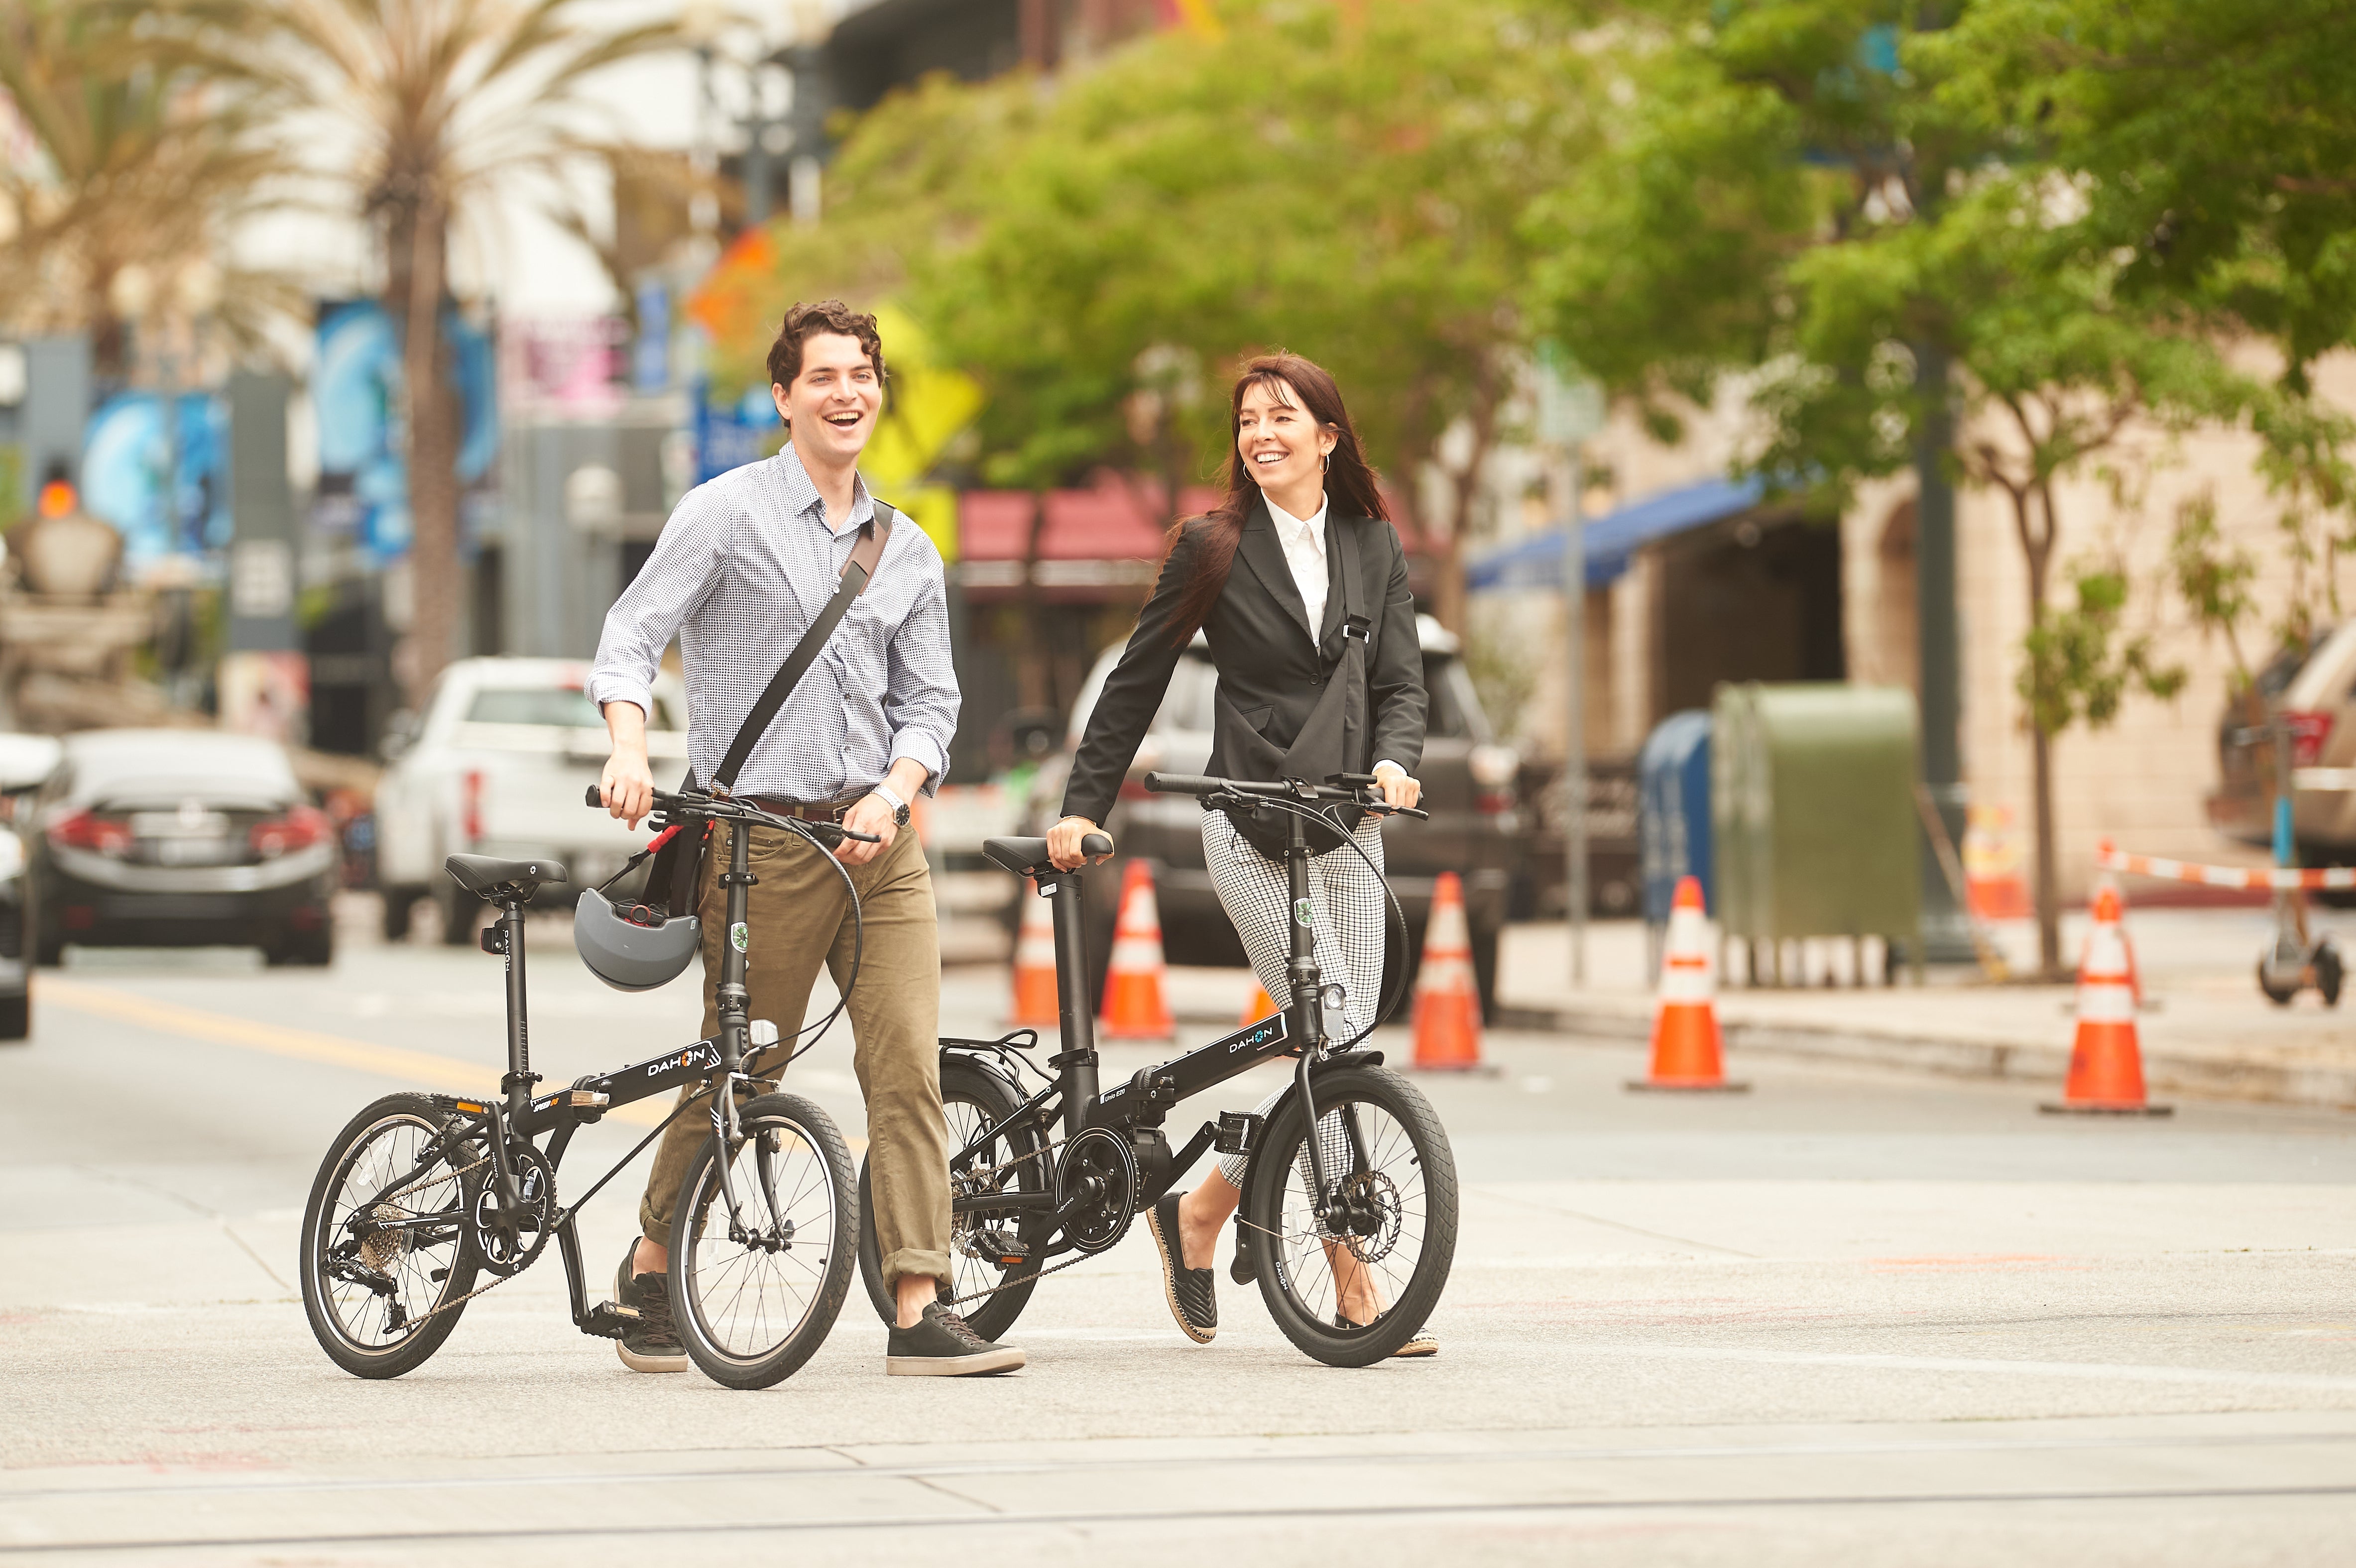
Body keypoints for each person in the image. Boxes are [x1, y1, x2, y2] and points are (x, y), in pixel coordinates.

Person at [589, 300, 1022, 1378]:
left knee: (907, 1066)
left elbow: (932, 702)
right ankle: (652, 1261)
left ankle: (919, 1299)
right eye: (822, 376)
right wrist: (631, 748)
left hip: (879, 846)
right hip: (762, 845)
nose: (845, 394)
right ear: (784, 398)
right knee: (745, 1067)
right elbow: (630, 635)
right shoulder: (724, 515)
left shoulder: (907, 547)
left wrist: (899, 788)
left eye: (861, 376)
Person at [1045, 352, 1437, 1358]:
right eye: (1247, 420)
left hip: (1344, 822)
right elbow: (1134, 682)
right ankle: (1352, 1287)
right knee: (1333, 1026)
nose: (1261, 433)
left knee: (1335, 1035)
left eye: (1283, 416)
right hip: (1247, 821)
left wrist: (1394, 764)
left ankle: (1205, 1211)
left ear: (1327, 436)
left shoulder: (1370, 545)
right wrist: (1080, 809)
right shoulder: (1211, 546)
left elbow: (1401, 683)